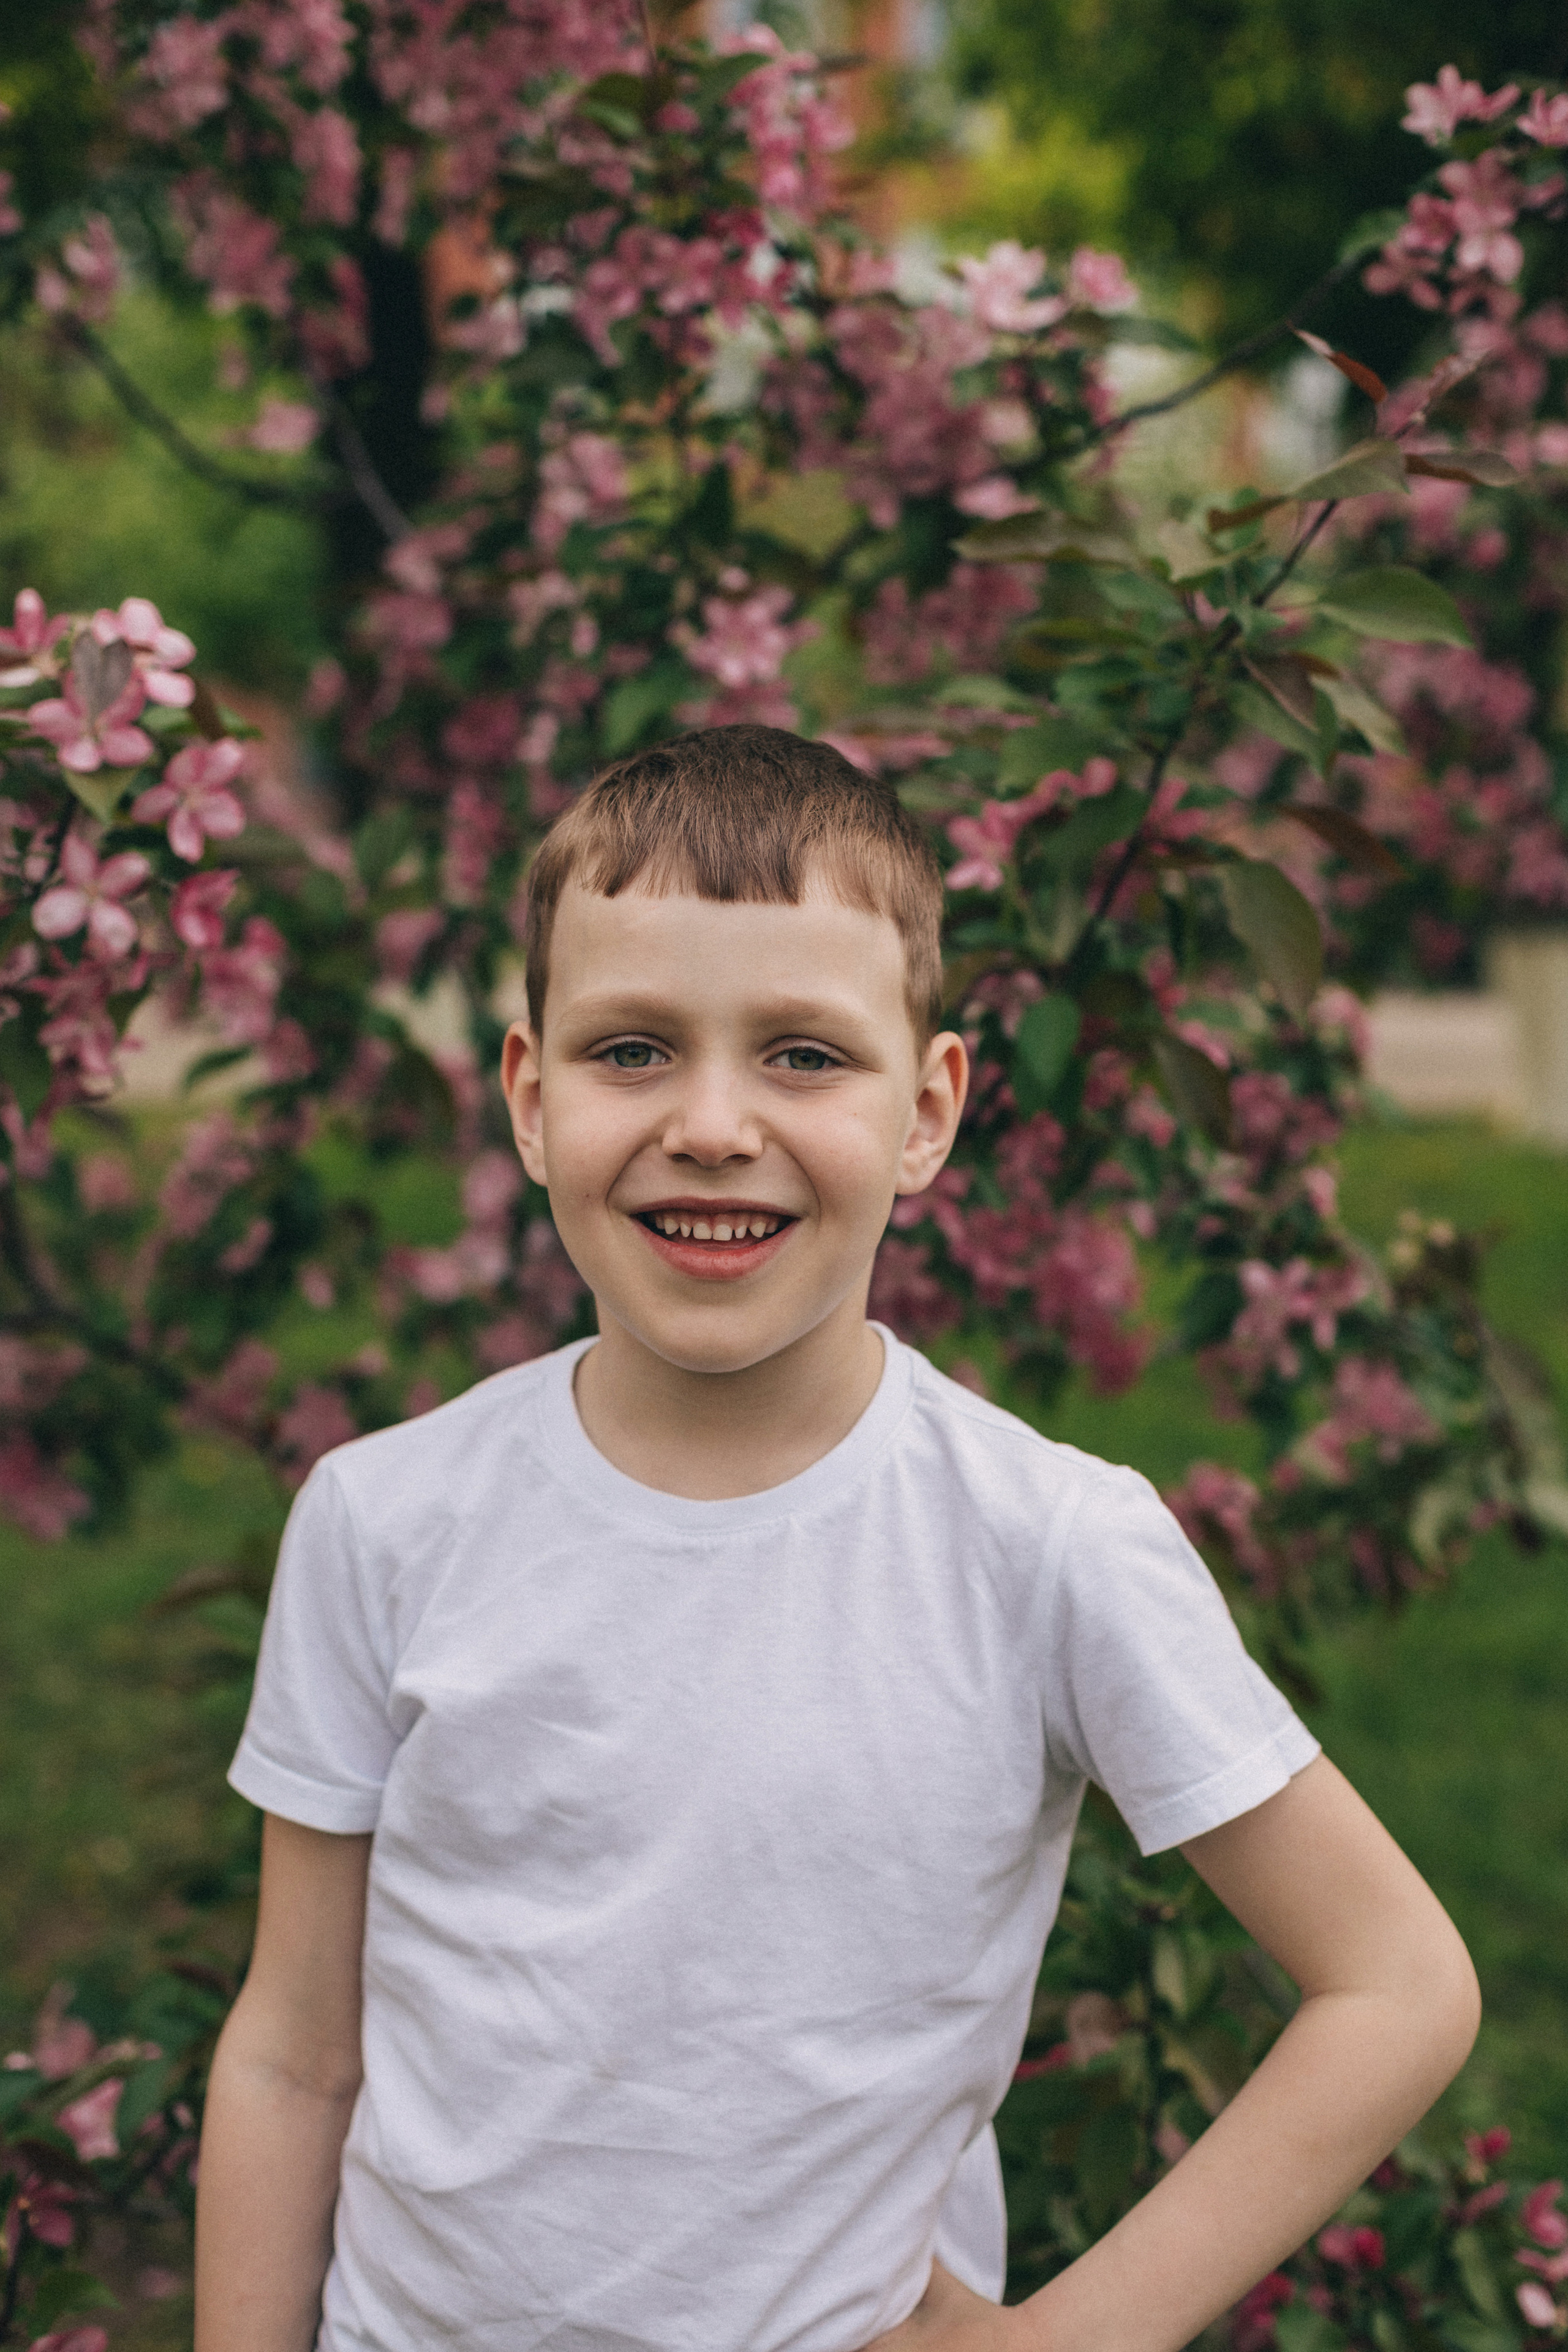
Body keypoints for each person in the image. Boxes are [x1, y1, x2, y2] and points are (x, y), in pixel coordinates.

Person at [196, 725, 1480, 2352]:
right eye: (633, 1051)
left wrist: (1066, 2339)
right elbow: (297, 2051)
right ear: (530, 1099)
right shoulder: (383, 1520)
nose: (714, 1124)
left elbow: (1399, 1986)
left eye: (803, 1055)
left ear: (929, 1110)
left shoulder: (1047, 1545)